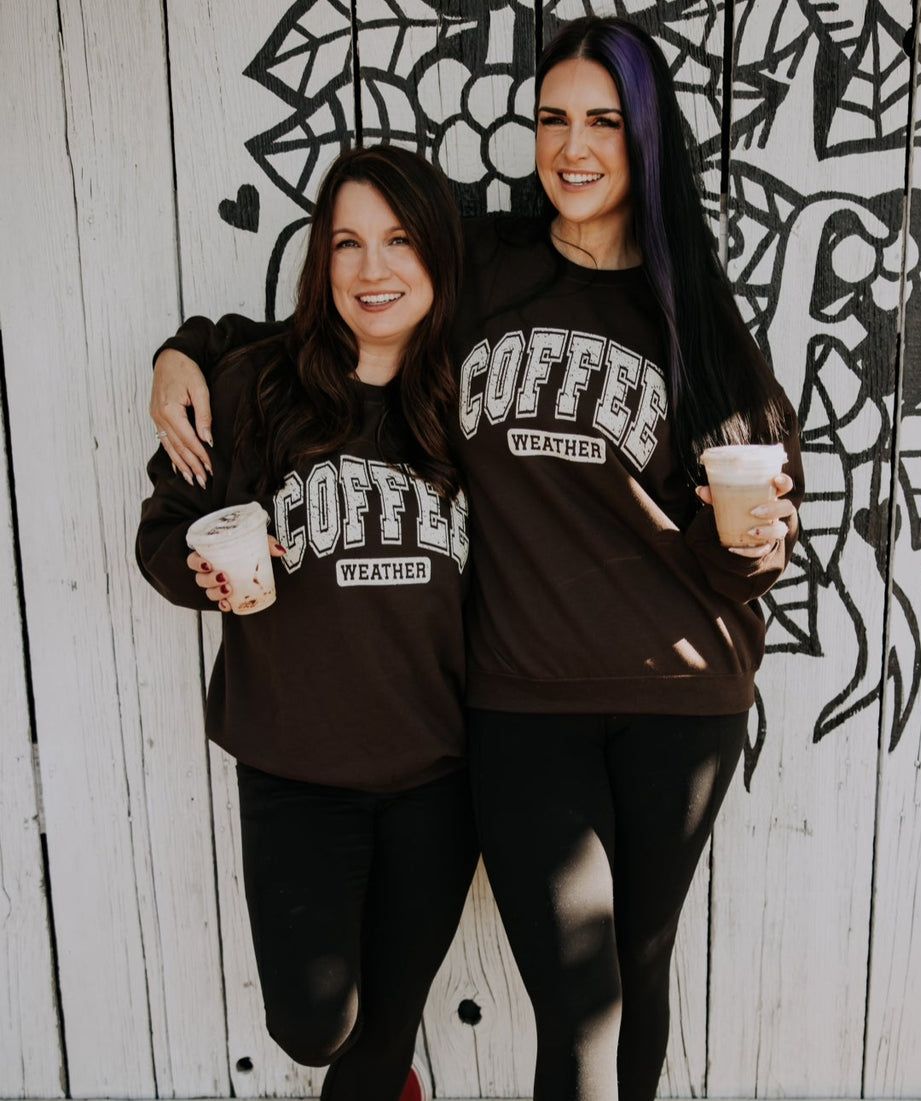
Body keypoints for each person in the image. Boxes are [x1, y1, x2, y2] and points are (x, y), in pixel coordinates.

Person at [150, 17, 804, 1101]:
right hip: (520, 701)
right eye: (553, 118)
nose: (573, 146)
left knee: (635, 975)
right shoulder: (484, 264)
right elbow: (339, 311)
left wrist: (750, 546)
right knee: (577, 999)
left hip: (683, 695)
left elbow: (750, 534)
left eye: (603, 121)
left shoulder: (692, 308)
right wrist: (185, 350)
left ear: (646, 138)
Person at [136, 145, 477, 1101]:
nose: (373, 269)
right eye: (347, 244)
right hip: (294, 770)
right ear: (320, 260)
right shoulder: (255, 387)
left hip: (442, 774)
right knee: (314, 1025)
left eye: (400, 240)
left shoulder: (469, 399)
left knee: (380, 1038)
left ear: (440, 254)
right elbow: (163, 534)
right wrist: (204, 570)